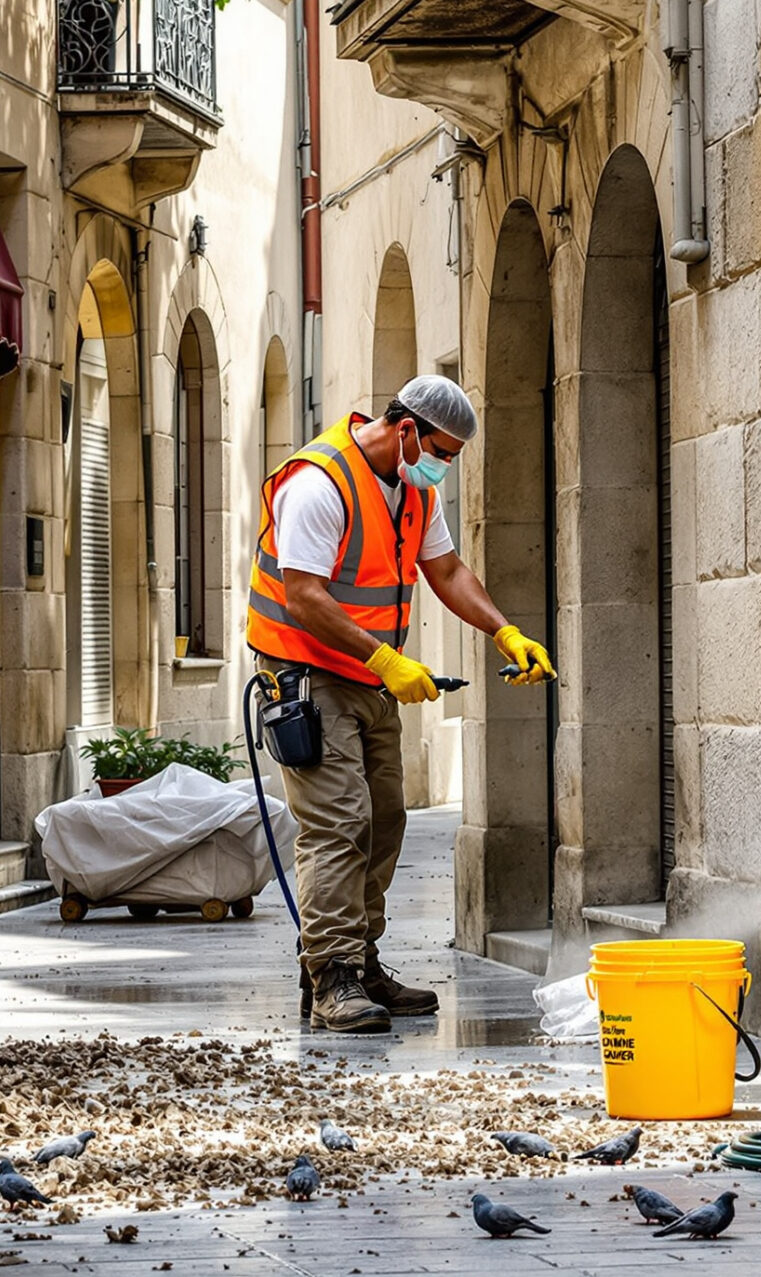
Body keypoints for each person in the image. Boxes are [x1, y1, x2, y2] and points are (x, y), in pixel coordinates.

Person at [245, 375, 556, 1032]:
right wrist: (384, 657)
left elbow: (445, 571)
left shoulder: (414, 491)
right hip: (305, 673)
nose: (445, 465)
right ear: (406, 428)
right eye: (443, 450)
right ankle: (331, 975)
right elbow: (303, 593)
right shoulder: (319, 483)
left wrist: (504, 629)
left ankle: (360, 959)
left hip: (366, 674)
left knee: (385, 815)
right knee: (339, 821)